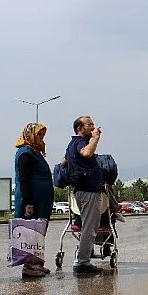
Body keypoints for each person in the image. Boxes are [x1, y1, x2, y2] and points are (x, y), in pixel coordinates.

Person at [13, 123, 55, 278]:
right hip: (32, 200)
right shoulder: (25, 153)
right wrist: (28, 203)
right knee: (31, 232)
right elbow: (24, 179)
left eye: (42, 136)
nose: (41, 138)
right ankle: (29, 266)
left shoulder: (34, 152)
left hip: (41, 200)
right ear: (29, 135)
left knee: (38, 232)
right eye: (38, 135)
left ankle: (37, 263)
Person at [66, 116, 106, 273]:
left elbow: (64, 161)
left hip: (84, 190)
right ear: (79, 129)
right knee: (90, 228)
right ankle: (82, 262)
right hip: (88, 191)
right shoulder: (81, 143)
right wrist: (95, 138)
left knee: (89, 227)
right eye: (89, 125)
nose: (93, 127)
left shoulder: (72, 144)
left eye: (93, 125)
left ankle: (84, 259)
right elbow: (87, 153)